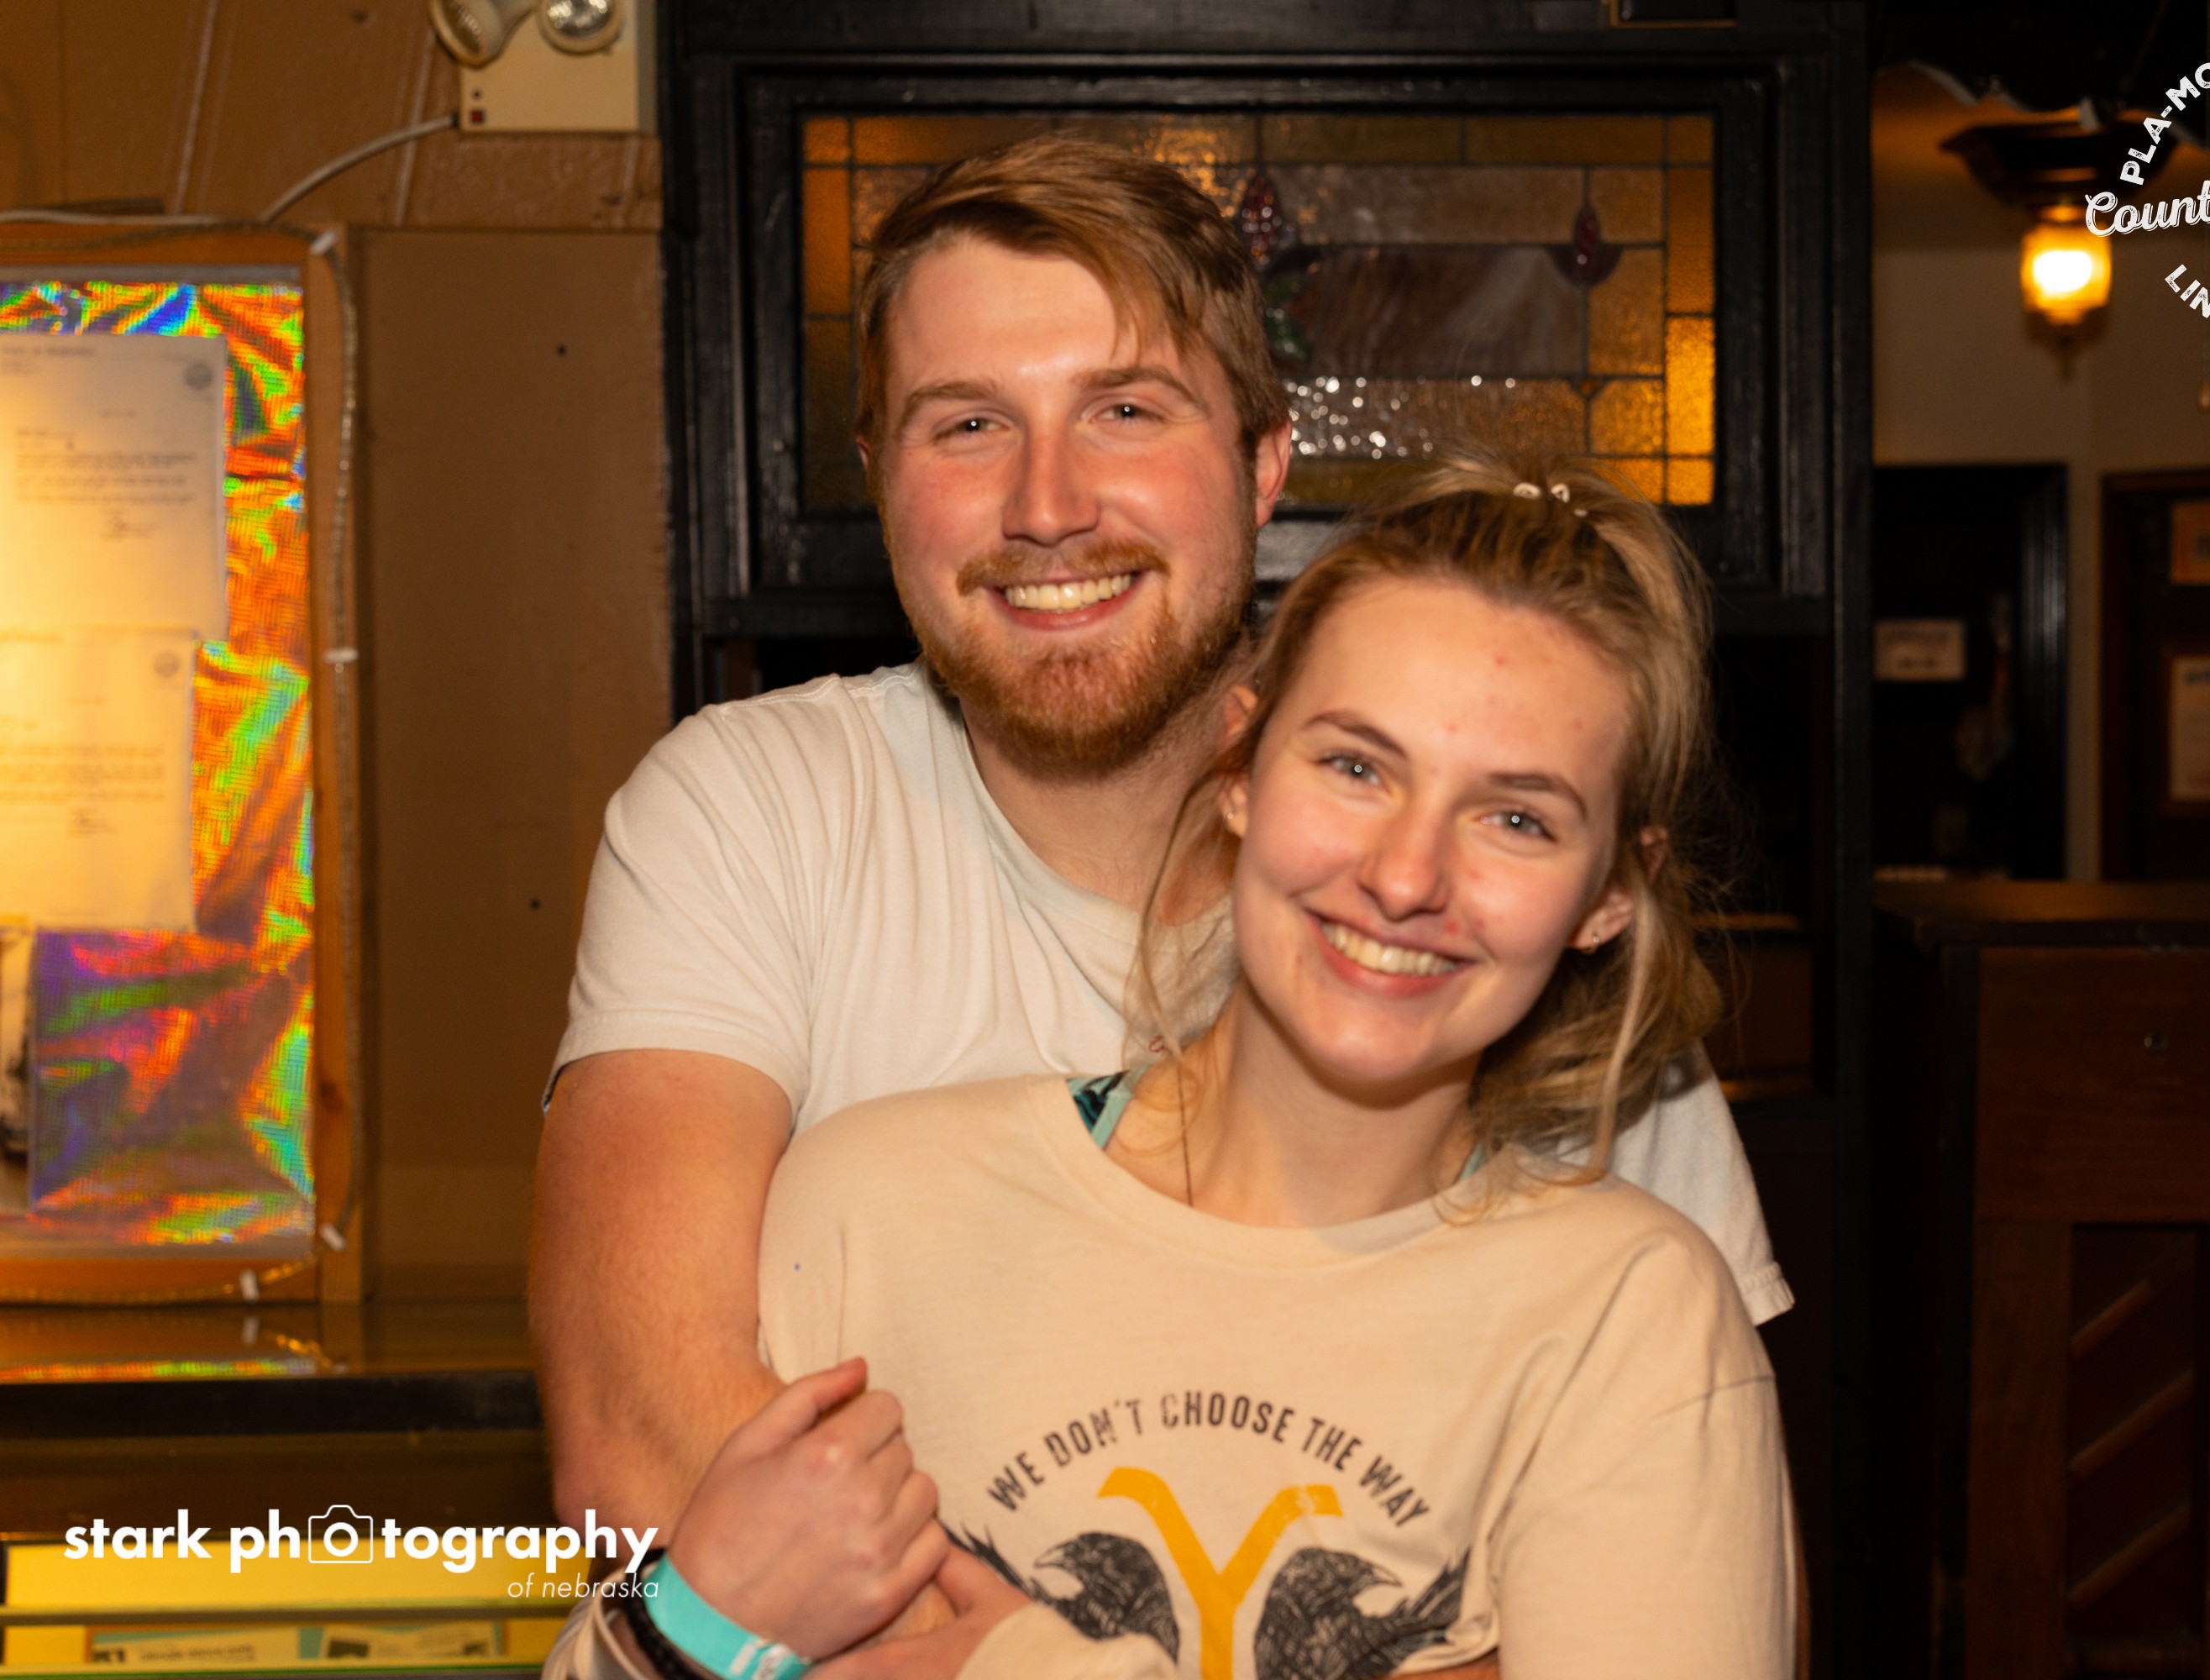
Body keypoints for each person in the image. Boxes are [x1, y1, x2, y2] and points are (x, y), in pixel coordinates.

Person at [531, 134, 1791, 1550]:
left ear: (1263, 463)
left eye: (1125, 410)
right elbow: (641, 1453)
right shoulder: (756, 812)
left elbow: (1702, 1539)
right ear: (880, 481)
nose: (1049, 506)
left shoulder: (1479, 908)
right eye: (968, 425)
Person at [547, 455, 1795, 1680]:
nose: (1408, 877)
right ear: (1240, 771)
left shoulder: (1631, 1319)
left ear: (1610, 895)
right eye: (1356, 767)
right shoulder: (872, 1206)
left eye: (1517, 818)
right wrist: (684, 1626)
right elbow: (643, 1638)